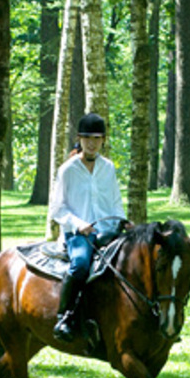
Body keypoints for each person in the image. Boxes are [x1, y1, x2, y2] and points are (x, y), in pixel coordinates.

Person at [47, 113, 131, 342]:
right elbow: (57, 209)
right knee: (81, 265)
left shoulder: (108, 168)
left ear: (103, 139)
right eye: (87, 138)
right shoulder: (68, 170)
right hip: (78, 234)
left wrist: (123, 221)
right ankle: (64, 317)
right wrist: (79, 224)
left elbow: (115, 201)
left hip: (108, 231)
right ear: (79, 139)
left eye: (96, 138)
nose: (92, 143)